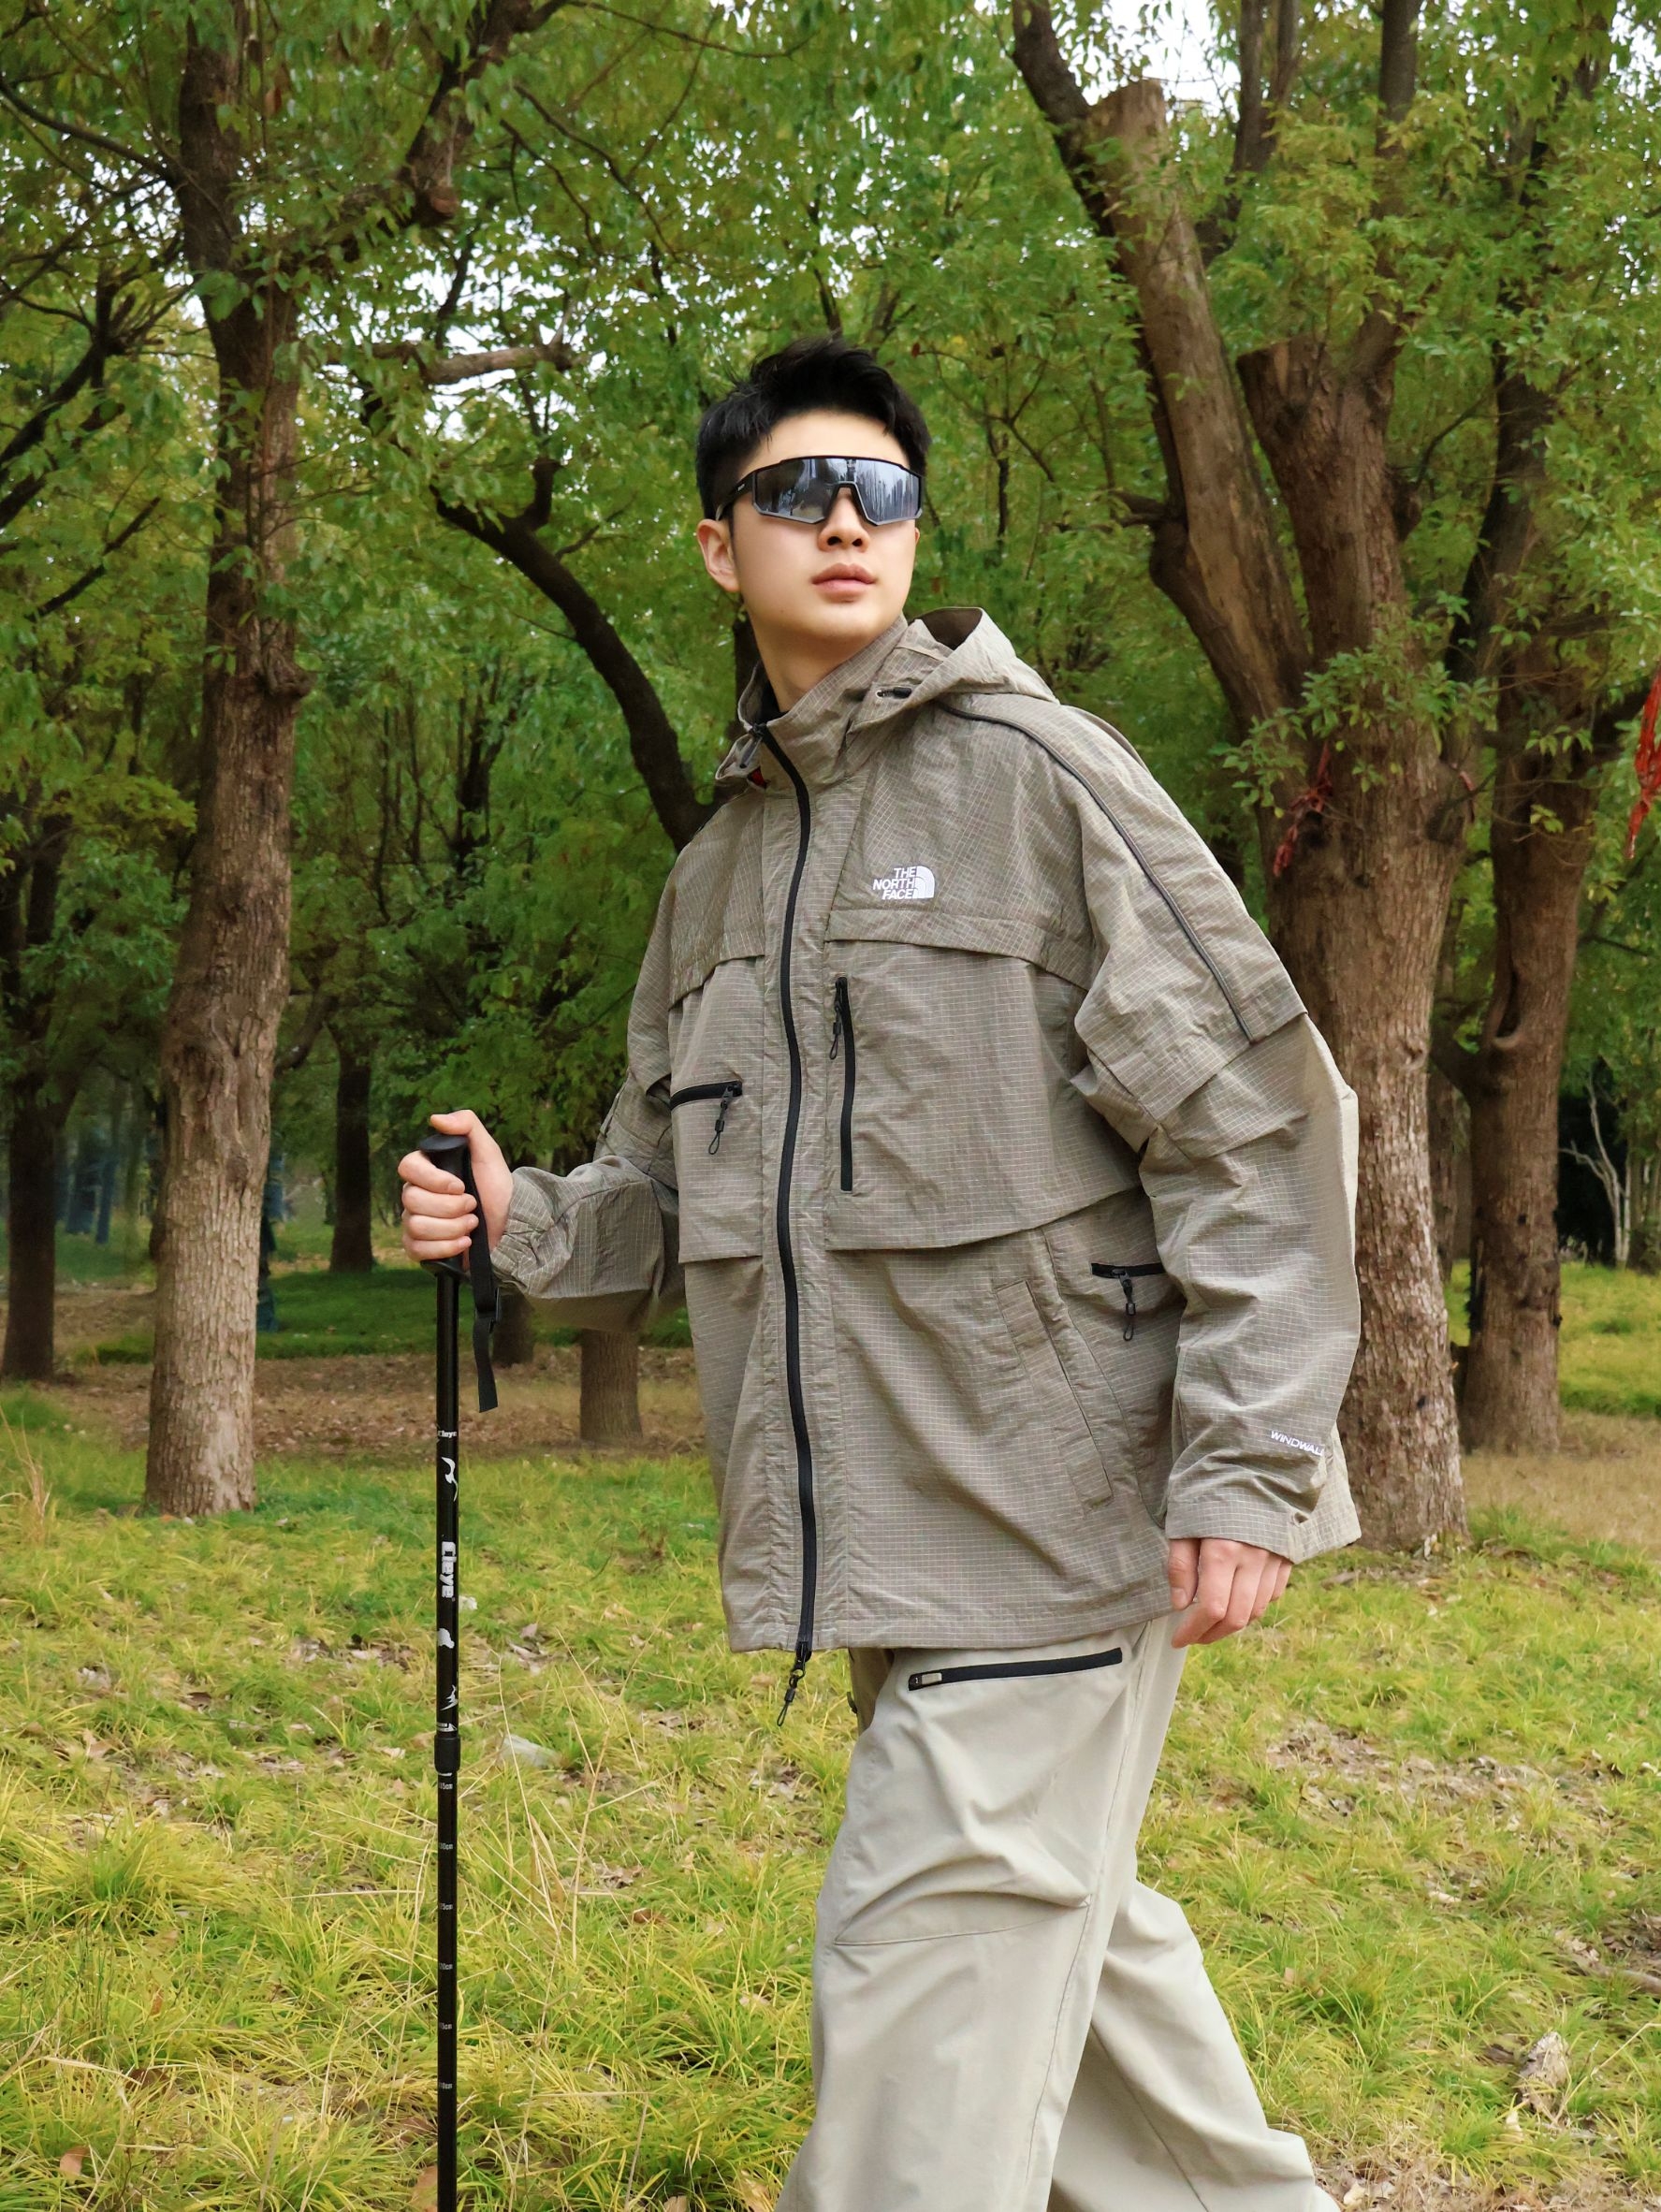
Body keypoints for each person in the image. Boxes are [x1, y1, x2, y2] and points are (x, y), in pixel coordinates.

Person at [398, 335, 1362, 2212]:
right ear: (720, 544)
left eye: (883, 492)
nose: (846, 520)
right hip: (890, 1555)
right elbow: (668, 1193)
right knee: (1085, 2003)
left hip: (1059, 1529)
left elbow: (1250, 1120)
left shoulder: (1042, 780)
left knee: (925, 1971)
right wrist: (521, 1221)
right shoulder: (715, 879)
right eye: (797, 491)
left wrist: (1247, 1465)